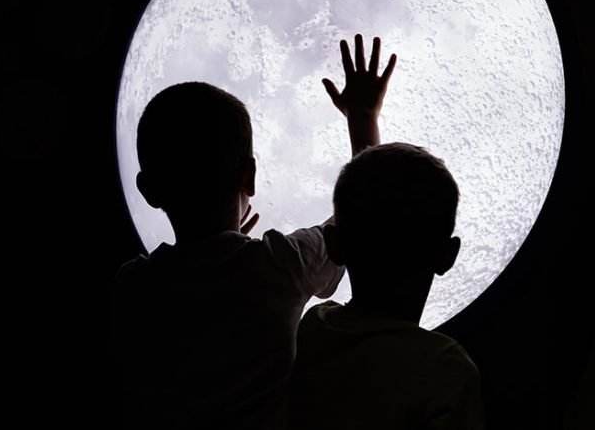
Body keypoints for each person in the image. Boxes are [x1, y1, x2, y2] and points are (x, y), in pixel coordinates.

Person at [111, 35, 396, 430]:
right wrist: (362, 116)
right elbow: (358, 219)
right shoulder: (278, 266)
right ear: (250, 175)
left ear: (149, 191)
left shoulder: (132, 287)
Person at [289, 79, 484, 427]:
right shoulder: (445, 370)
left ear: (335, 246)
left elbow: (367, 203)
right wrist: (363, 119)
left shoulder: (311, 332)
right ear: (448, 255)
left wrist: (361, 120)